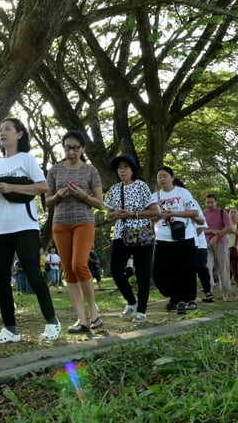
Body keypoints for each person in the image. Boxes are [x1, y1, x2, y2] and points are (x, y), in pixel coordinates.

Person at [0, 118, 60, 344]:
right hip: (0, 228)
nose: (2, 133)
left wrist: (10, 187)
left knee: (34, 274)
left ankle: (52, 322)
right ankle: (10, 329)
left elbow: (42, 187)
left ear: (19, 134)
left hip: (25, 227)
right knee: (0, 278)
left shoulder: (26, 158)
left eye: (7, 129)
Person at [45, 131, 103, 333]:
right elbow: (47, 201)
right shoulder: (54, 171)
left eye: (76, 147)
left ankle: (94, 312)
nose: (71, 151)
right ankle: (82, 320)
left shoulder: (90, 171)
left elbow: (100, 203)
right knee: (68, 270)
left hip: (83, 222)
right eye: (68, 147)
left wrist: (83, 195)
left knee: (79, 265)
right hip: (60, 224)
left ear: (83, 148)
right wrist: (58, 195)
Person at [103, 154, 158, 325]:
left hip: (141, 233)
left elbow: (155, 211)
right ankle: (132, 303)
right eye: (119, 168)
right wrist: (115, 214)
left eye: (126, 167)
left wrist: (133, 213)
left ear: (132, 169)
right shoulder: (114, 189)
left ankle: (142, 311)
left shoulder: (141, 186)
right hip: (121, 233)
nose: (122, 170)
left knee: (142, 272)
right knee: (116, 269)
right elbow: (108, 214)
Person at [152, 166, 200, 316]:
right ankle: (173, 296)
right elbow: (150, 218)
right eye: (159, 176)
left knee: (184, 270)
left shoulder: (182, 192)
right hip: (162, 238)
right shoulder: (154, 197)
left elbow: (194, 212)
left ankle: (182, 301)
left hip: (184, 237)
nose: (162, 179)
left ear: (172, 177)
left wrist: (174, 213)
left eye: (165, 176)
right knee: (159, 272)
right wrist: (160, 215)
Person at [203, 194, 233, 301]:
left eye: (212, 202)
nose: (210, 204)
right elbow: (200, 229)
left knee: (223, 269)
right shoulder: (203, 213)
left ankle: (226, 293)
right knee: (207, 267)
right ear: (205, 203)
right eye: (208, 202)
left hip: (221, 244)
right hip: (206, 244)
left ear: (216, 202)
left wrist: (217, 236)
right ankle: (209, 292)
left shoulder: (222, 212)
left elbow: (229, 227)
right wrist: (210, 231)